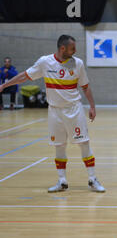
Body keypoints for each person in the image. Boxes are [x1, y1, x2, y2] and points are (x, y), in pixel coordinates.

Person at [0, 35, 105, 193]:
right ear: (62, 48)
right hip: (54, 111)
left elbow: (86, 86)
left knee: (84, 143)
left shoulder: (78, 63)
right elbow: (25, 76)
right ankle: (62, 181)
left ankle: (92, 179)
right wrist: (4, 85)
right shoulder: (45, 62)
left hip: (74, 110)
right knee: (59, 146)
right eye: (72, 48)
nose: (75, 51)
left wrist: (92, 106)